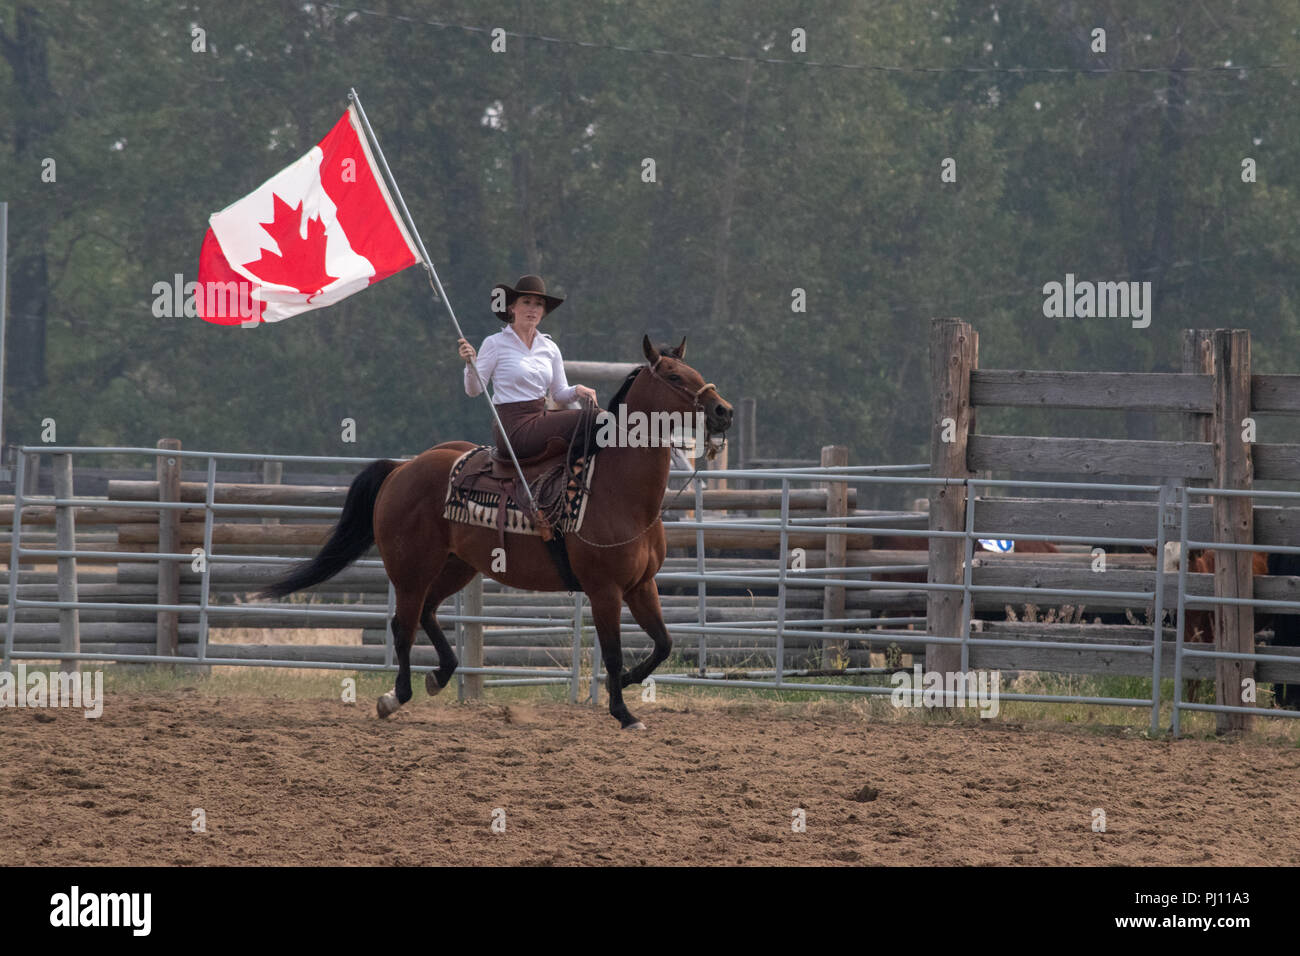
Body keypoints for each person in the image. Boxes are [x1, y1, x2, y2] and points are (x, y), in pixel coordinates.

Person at [458, 275, 600, 471]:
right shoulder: (495, 343)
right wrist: (470, 364)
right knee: (597, 418)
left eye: (539, 304)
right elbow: (473, 390)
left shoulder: (550, 347)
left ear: (543, 312)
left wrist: (578, 389)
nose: (533, 308)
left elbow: (558, 393)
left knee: (599, 420)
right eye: (526, 302)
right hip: (512, 427)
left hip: (540, 419)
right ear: (512, 308)